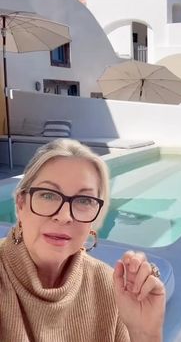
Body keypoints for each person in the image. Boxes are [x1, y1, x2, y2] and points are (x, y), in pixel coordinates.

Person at [0, 138, 166, 341]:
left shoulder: (108, 287)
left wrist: (144, 333)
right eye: (48, 195)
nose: (64, 216)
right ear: (20, 204)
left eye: (84, 200)